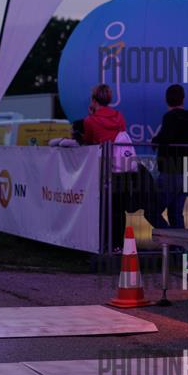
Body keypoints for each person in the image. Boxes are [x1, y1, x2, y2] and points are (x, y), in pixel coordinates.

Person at [82, 84, 129, 251]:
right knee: (118, 208)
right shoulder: (119, 117)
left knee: (101, 207)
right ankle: (118, 245)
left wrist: (91, 114)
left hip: (101, 169)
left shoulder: (90, 121)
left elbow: (88, 142)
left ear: (94, 100)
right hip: (120, 168)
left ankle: (102, 243)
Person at [152, 84, 188, 228]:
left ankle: (168, 236)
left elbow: (166, 138)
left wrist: (155, 140)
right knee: (176, 214)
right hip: (185, 170)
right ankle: (178, 241)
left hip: (169, 171)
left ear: (167, 100)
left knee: (152, 211)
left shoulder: (170, 118)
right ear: (183, 99)